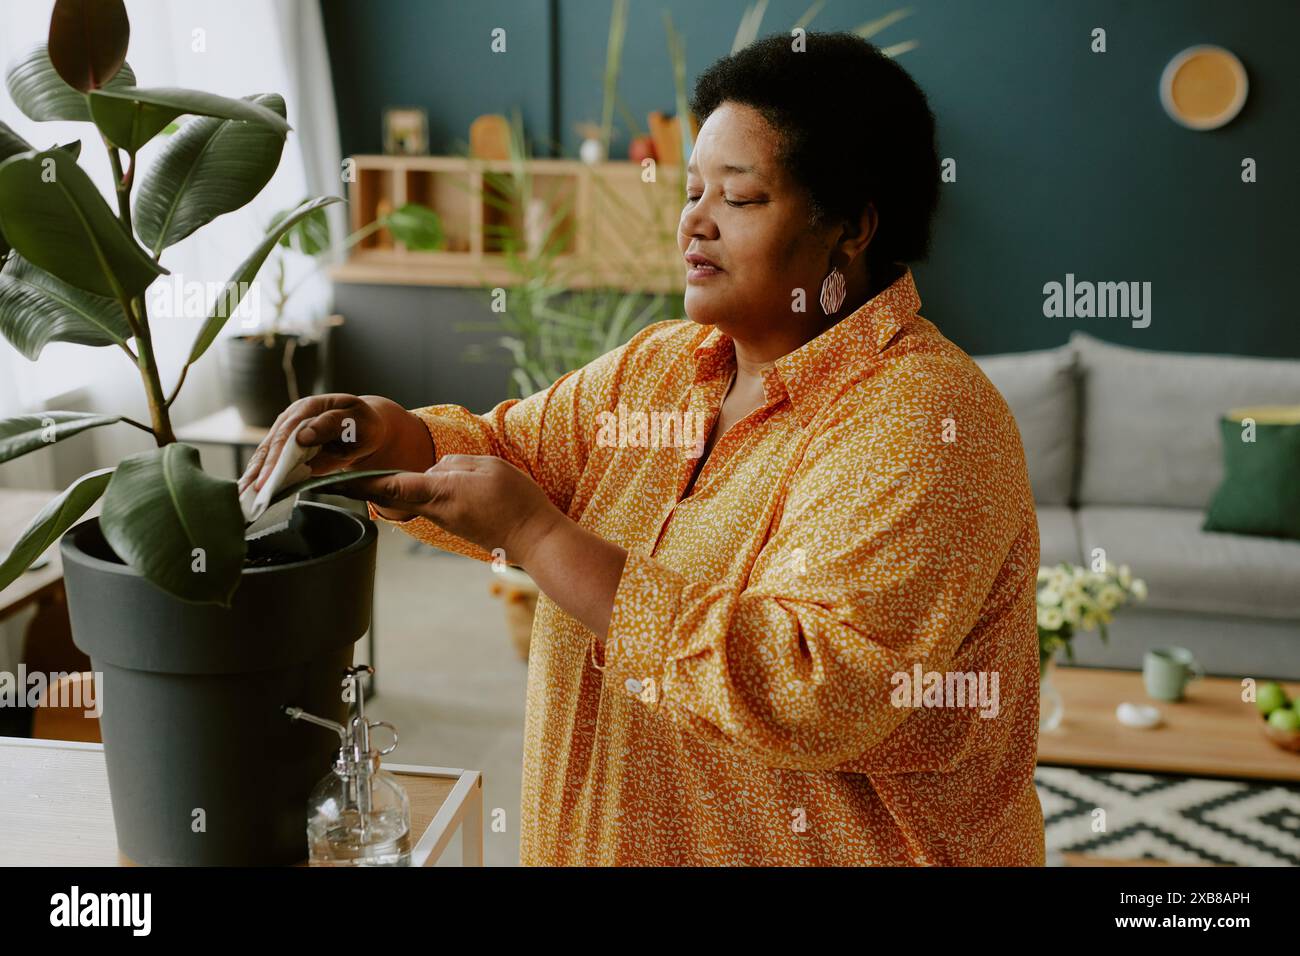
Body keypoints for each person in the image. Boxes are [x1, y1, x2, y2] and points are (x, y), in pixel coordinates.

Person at [242, 32, 1045, 866]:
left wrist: (540, 538)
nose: (693, 220)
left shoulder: (924, 419)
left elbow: (812, 689)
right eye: (694, 190)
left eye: (740, 199)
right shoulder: (665, 365)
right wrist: (385, 434)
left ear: (851, 226)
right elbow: (512, 453)